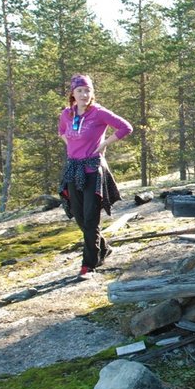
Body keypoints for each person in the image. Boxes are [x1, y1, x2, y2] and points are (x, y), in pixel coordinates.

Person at [58, 74, 132, 280]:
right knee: (79, 215)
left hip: (92, 170)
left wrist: (103, 145)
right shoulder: (66, 114)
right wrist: (74, 149)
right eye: (80, 90)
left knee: (91, 218)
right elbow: (62, 132)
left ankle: (88, 265)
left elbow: (126, 127)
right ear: (72, 93)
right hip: (73, 169)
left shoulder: (98, 113)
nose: (84, 94)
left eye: (88, 90)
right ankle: (103, 248)